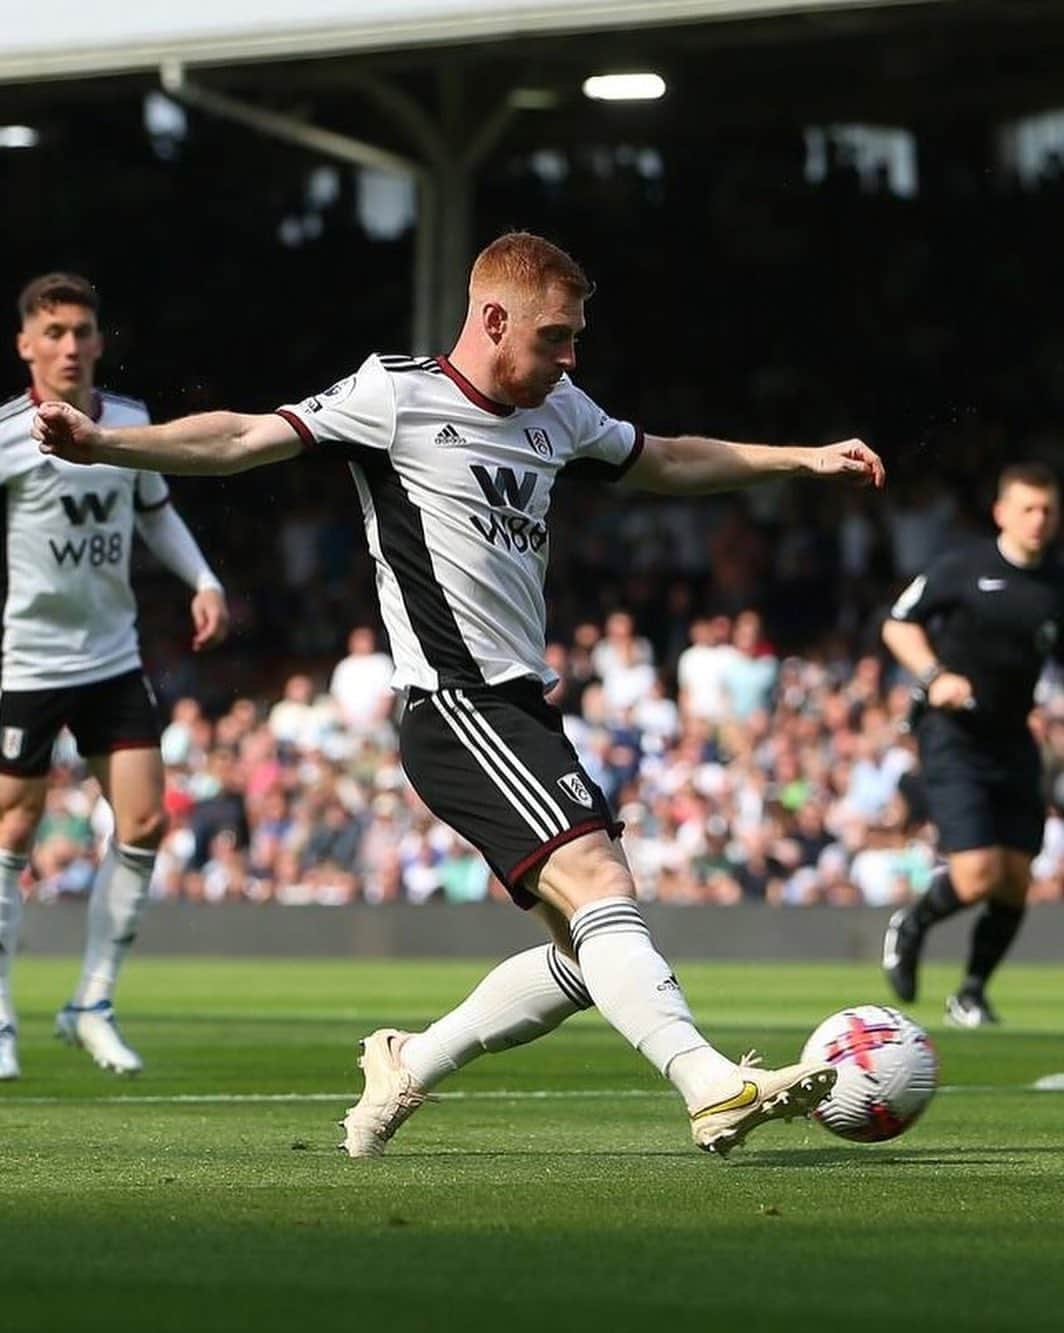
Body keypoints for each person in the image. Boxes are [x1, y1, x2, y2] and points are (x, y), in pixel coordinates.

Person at [31, 232, 884, 1154]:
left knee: (587, 949)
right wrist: (107, 443)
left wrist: (800, 458)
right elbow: (242, 435)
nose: (570, 359)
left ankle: (408, 1061)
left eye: (575, 339)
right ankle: (712, 1084)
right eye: (555, 338)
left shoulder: (559, 410)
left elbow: (669, 459)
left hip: (521, 706)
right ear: (492, 319)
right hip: (455, 702)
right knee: (601, 879)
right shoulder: (394, 393)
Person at [0, 272, 229, 1081]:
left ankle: (89, 1004)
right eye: (53, 332)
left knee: (142, 824)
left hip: (111, 658)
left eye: (81, 331)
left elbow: (156, 511)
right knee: (12, 833)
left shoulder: (129, 424)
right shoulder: (6, 436)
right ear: (26, 344)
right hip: (25, 662)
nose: (69, 345)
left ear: (98, 341)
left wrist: (203, 580)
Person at [881, 461, 1064, 1027]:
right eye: (1028, 508)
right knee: (978, 873)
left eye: (1048, 510)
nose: (1038, 520)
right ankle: (911, 924)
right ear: (1002, 512)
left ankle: (972, 993)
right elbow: (897, 624)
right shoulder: (963, 568)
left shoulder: (1056, 586)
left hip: (1014, 738)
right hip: (953, 733)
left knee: (1015, 879)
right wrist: (936, 676)